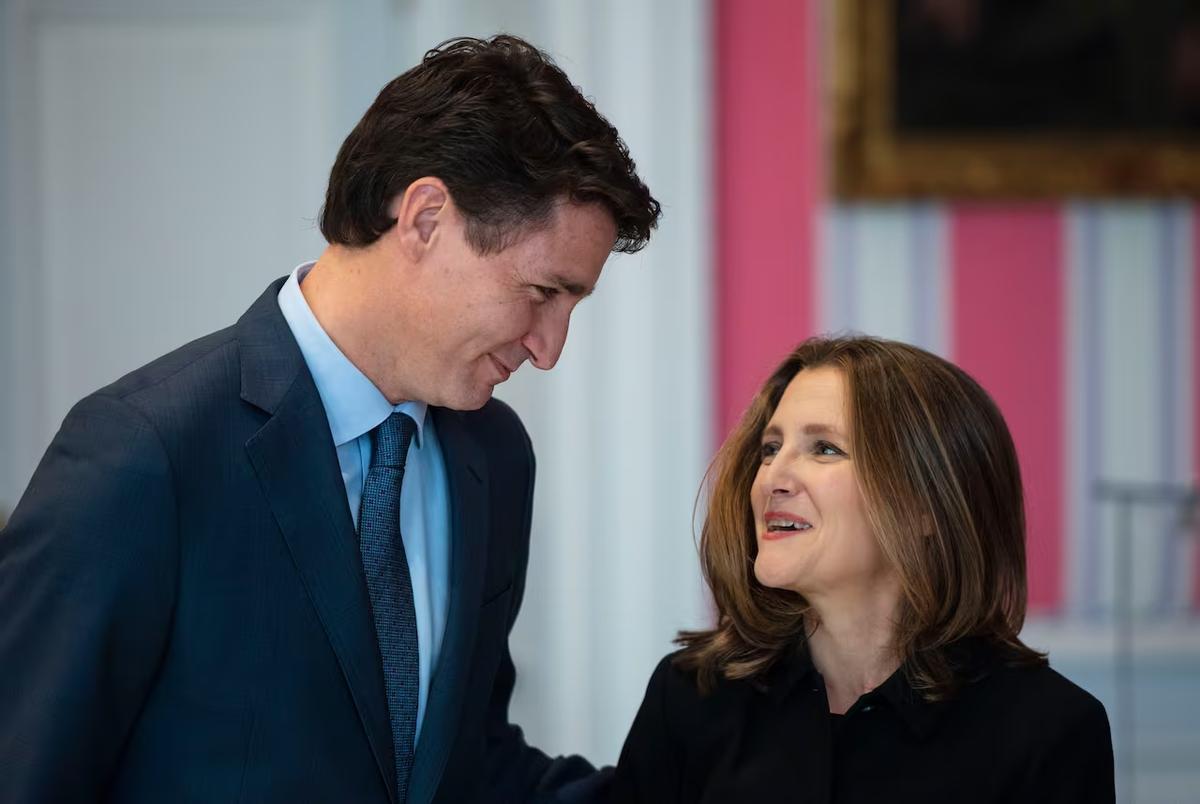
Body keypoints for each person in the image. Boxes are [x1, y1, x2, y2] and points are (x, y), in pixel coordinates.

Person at [0, 35, 659, 803]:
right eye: (544, 293)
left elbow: (464, 764)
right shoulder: (144, 453)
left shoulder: (496, 456)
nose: (550, 350)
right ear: (424, 218)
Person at [609, 336, 1114, 803]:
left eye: (824, 449)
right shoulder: (691, 694)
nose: (772, 479)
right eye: (770, 448)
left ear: (926, 505)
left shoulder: (1051, 729)